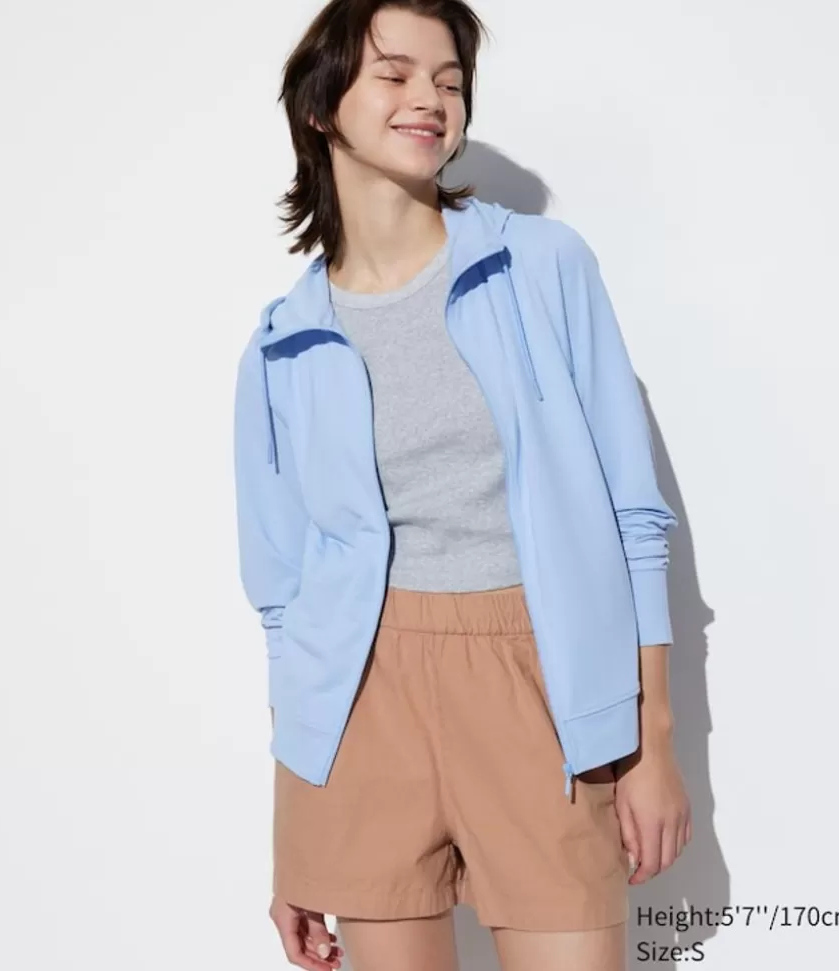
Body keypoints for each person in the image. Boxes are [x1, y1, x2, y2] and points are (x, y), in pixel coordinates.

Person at [232, 1, 692, 969]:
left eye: (448, 81)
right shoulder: (283, 344)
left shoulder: (541, 266)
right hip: (361, 705)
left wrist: (652, 742)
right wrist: (295, 828)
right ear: (320, 105)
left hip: (536, 676)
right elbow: (283, 599)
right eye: (394, 74)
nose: (430, 99)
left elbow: (633, 516)